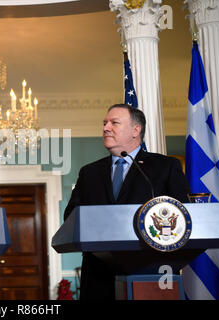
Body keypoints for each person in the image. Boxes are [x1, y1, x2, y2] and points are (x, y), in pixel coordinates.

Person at [64, 104, 190, 300]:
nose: (106, 128)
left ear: (135, 130)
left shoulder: (165, 167)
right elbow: (71, 217)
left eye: (114, 123)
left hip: (150, 272)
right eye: (105, 123)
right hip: (98, 275)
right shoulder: (89, 173)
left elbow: (183, 214)